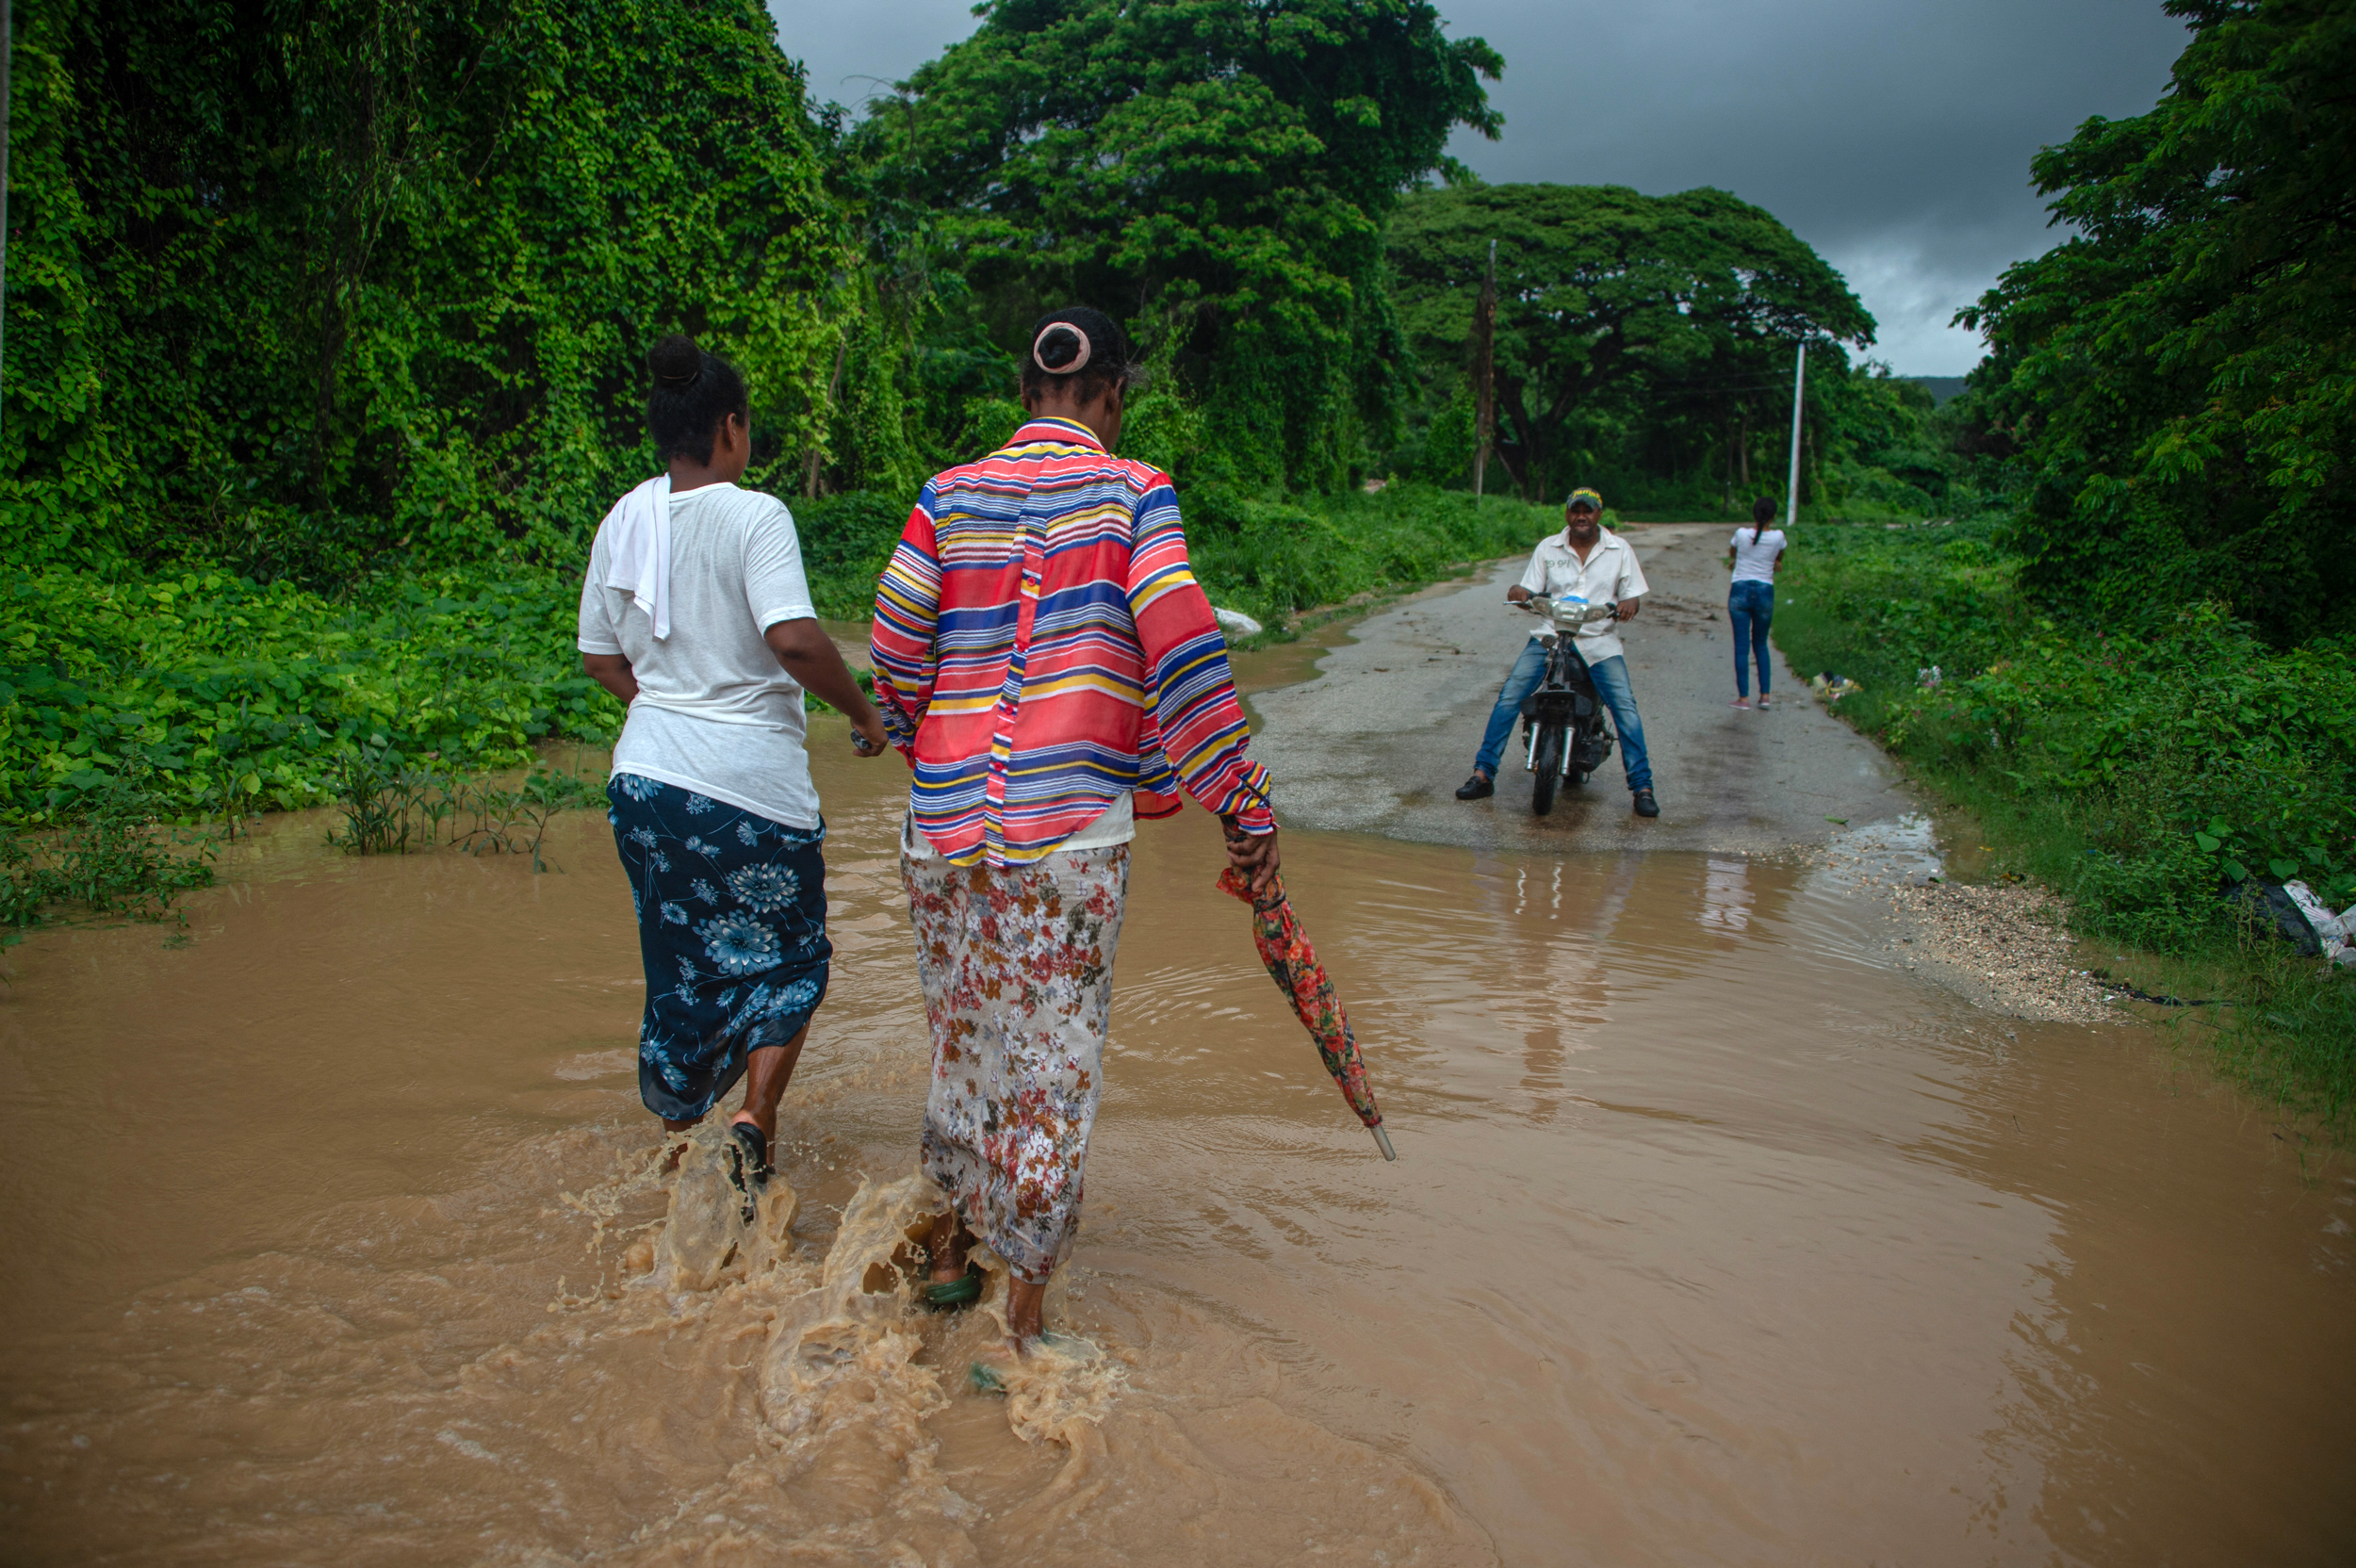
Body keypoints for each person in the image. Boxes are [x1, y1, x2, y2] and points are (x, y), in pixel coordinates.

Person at [870, 306, 1280, 1348]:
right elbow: (1181, 644)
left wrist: (922, 728)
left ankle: (951, 1257)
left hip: (943, 827)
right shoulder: (1133, 491)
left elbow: (896, 641)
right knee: (1050, 1068)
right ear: (1112, 398)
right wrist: (1240, 801)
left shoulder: (945, 495)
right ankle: (1023, 1324)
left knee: (961, 1047)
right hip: (1067, 835)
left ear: (1026, 394)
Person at [578, 333, 889, 1195]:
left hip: (643, 786)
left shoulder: (622, 521)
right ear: (731, 427)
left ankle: (682, 1148)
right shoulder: (755, 515)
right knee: (791, 962)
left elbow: (605, 663)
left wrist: (670, 713)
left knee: (679, 970)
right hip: (749, 788)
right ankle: (754, 1116)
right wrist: (863, 713)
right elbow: (792, 639)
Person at [1456, 488, 1658, 816]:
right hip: (1550, 635)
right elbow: (1528, 589)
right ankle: (1483, 773)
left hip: (1598, 639)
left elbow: (1632, 594)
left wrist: (1628, 603)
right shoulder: (1548, 547)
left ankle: (1642, 788)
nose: (1582, 516)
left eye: (1588, 511)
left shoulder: (1619, 549)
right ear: (1567, 513)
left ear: (1598, 514)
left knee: (1625, 707)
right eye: (1575, 510)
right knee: (1510, 697)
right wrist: (1520, 592)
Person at [1726, 496, 1786, 710]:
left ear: (1753, 513)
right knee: (1760, 644)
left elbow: (1733, 552)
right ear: (1774, 516)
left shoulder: (1741, 534)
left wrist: (1737, 560)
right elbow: (1779, 557)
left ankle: (1743, 698)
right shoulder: (1779, 536)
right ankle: (1765, 696)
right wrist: (1775, 562)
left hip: (1740, 590)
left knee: (1741, 646)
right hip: (1764, 592)